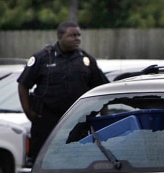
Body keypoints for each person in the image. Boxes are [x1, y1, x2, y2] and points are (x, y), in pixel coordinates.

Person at [17, 21, 109, 162]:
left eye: (78, 35)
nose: (77, 38)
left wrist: (103, 120)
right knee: (43, 161)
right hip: (47, 122)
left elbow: (102, 88)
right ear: (60, 36)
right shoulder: (42, 58)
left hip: (77, 122)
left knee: (77, 162)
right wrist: (28, 112)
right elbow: (23, 84)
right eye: (72, 35)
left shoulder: (85, 59)